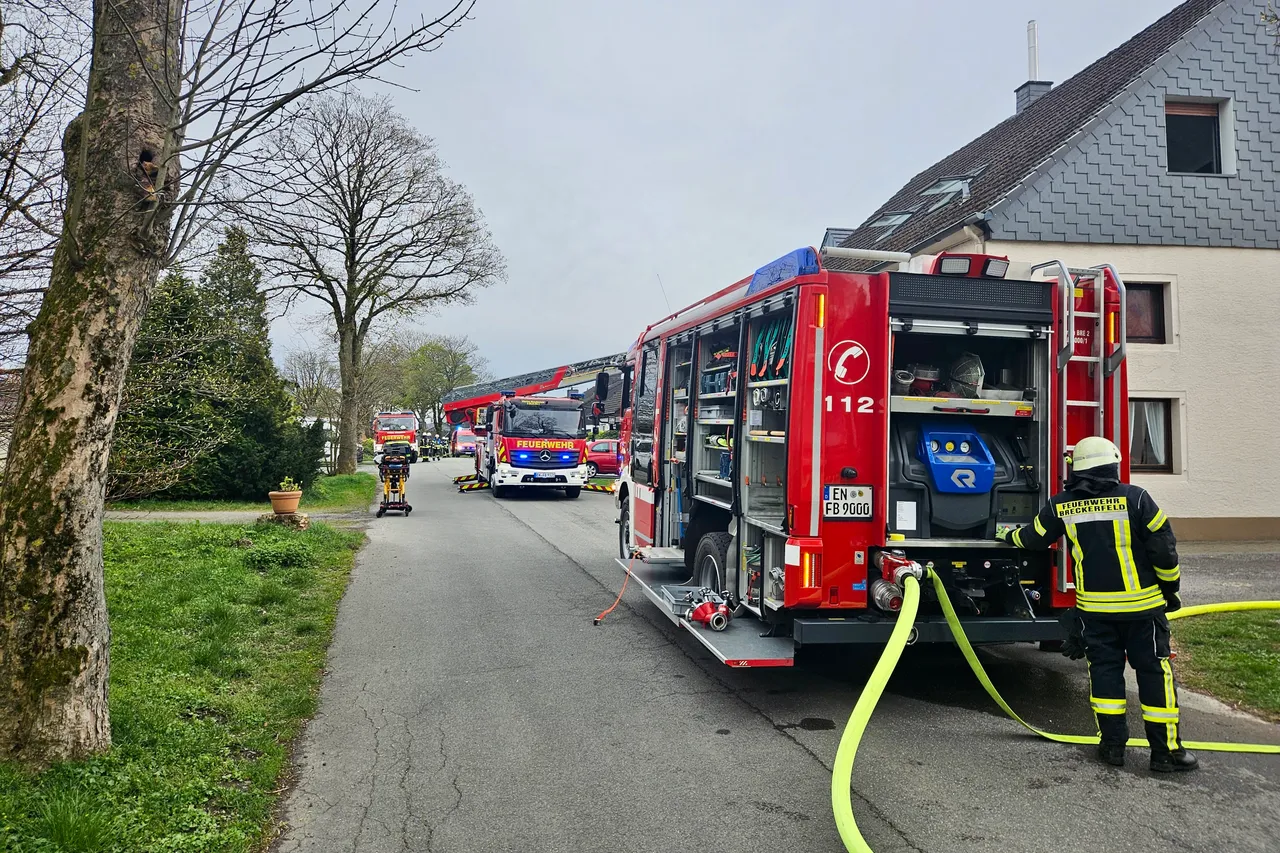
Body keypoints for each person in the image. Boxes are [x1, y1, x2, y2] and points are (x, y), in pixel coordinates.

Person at [996, 435, 1196, 772]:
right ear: (1113, 465)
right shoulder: (1137, 499)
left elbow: (1031, 539)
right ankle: (1166, 753)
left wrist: (1004, 535)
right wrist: (1170, 587)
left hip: (1096, 614)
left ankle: (1112, 748)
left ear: (1076, 470)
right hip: (1143, 611)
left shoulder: (1062, 504)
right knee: (1153, 674)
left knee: (1104, 675)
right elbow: (1164, 549)